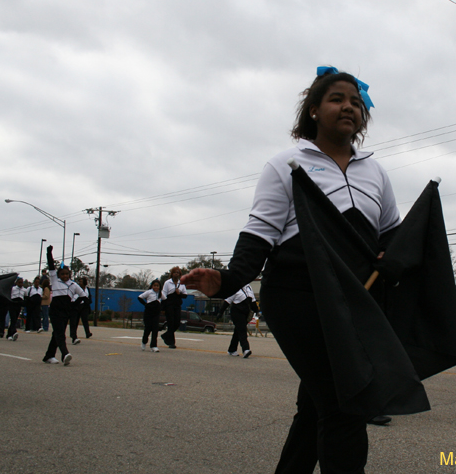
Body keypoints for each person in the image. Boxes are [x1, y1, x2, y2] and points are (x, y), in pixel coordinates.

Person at [182, 67, 400, 473]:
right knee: (345, 403)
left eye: (355, 102)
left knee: (317, 406)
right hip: (298, 298)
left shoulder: (376, 172)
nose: (348, 107)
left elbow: (390, 234)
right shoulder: (286, 164)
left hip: (354, 303)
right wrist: (227, 280)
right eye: (337, 99)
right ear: (314, 110)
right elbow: (259, 234)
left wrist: (396, 255)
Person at [42, 246, 83, 365]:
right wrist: (49, 253)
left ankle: (49, 356)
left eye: (67, 274)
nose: (65, 276)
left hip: (66, 311)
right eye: (62, 274)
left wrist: (73, 305)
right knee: (60, 334)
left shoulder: (73, 285)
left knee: (57, 333)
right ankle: (65, 354)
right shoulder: (55, 281)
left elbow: (83, 296)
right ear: (58, 275)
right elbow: (51, 266)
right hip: (55, 310)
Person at [223, 284, 259, 358]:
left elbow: (253, 301)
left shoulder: (249, 287)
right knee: (242, 330)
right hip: (237, 312)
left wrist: (257, 311)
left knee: (238, 331)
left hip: (245, 313)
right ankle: (246, 349)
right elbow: (227, 301)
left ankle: (232, 349)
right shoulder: (235, 288)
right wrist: (220, 312)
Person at [160, 267, 186, 349]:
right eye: (175, 272)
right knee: (170, 323)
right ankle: (171, 342)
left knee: (177, 323)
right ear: (172, 274)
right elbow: (163, 295)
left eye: (178, 273)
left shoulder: (181, 284)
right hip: (169, 304)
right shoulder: (167, 283)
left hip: (177, 305)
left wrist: (179, 294)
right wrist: (163, 308)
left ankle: (165, 335)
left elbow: (185, 295)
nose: (176, 274)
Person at [138, 280, 164, 353]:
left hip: (156, 313)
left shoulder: (160, 293)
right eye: (154, 285)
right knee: (148, 328)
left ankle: (153, 346)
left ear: (159, 287)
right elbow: (140, 297)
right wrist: (146, 305)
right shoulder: (149, 292)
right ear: (152, 286)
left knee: (155, 329)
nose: (156, 287)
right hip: (149, 312)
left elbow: (165, 299)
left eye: (157, 286)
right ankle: (144, 342)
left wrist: (162, 307)